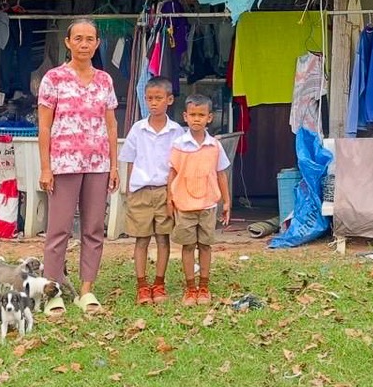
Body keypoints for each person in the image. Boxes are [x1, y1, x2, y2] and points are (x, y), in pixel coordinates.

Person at [37, 19, 119, 314]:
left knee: (94, 228)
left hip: (97, 164)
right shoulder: (54, 79)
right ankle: (52, 292)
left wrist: (114, 166)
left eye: (90, 39)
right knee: (58, 230)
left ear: (97, 43)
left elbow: (111, 125)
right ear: (68, 42)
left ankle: (86, 290)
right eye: (79, 39)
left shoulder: (105, 80)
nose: (84, 44)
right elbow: (44, 127)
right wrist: (45, 168)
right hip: (64, 164)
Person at [118, 77, 181, 304]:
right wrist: (129, 190)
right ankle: (142, 285)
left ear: (169, 100)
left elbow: (178, 165)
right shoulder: (138, 129)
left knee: (163, 238)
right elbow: (130, 160)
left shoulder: (176, 131)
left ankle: (159, 283)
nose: (153, 103)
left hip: (165, 191)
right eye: (149, 99)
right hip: (141, 191)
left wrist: (174, 194)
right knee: (141, 239)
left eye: (158, 98)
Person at [167, 94, 231, 306]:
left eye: (201, 115)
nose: (196, 119)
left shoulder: (215, 146)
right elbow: (173, 173)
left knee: (205, 245)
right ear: (185, 116)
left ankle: (204, 286)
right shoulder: (179, 145)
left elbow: (221, 174)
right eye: (192, 114)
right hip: (184, 205)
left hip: (208, 205)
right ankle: (190, 288)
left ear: (209, 118)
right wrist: (169, 199)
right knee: (187, 246)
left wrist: (227, 201)